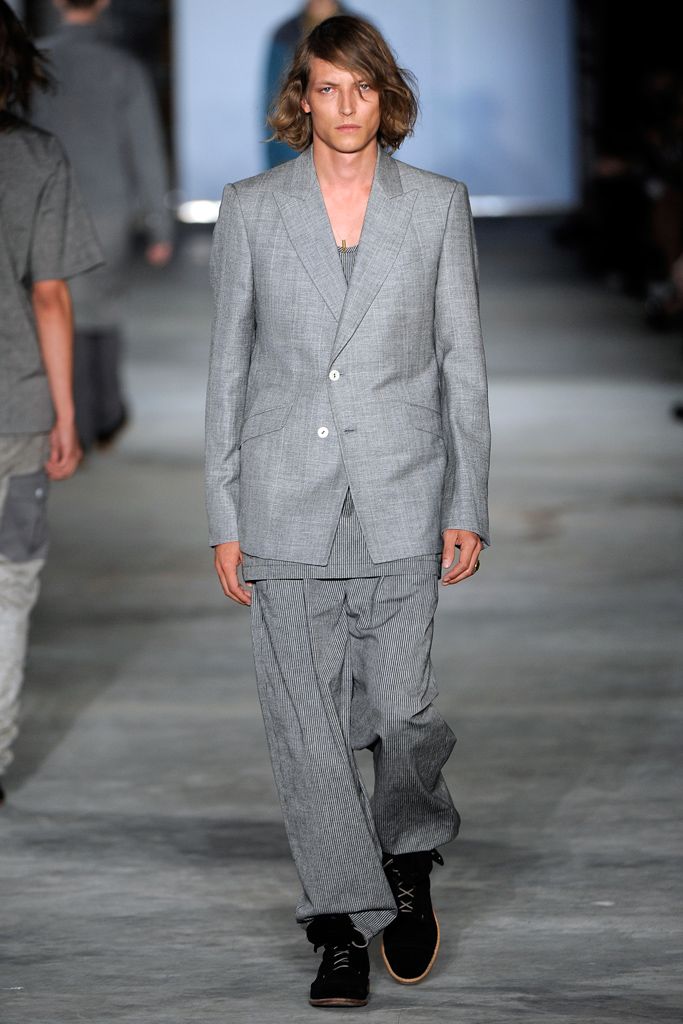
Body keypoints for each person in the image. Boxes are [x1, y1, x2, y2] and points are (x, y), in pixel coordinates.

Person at [205, 14, 491, 1009]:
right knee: (309, 730)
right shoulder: (249, 208)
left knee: (403, 711)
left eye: (361, 88)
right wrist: (224, 511)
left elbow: (461, 363)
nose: (344, 105)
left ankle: (406, 849)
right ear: (301, 98)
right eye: (326, 88)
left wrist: (467, 498)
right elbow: (227, 367)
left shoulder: (437, 205)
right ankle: (337, 925)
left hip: (402, 493)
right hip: (283, 499)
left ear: (385, 97)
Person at [0, 0, 103, 803]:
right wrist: (66, 413)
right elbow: (49, 296)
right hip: (16, 406)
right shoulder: (35, 157)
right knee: (8, 585)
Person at [30, 0, 173, 452]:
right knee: (102, 309)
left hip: (47, 207)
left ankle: (75, 419)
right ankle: (105, 414)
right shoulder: (123, 68)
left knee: (58, 306)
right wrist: (160, 226)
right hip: (108, 211)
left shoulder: (34, 64)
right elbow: (146, 148)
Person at [263, 0, 350, 168]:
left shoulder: (362, 31)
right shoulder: (284, 35)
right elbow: (273, 107)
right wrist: (280, 169)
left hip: (354, 162)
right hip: (294, 158)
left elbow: (381, 97)